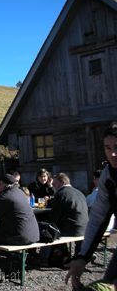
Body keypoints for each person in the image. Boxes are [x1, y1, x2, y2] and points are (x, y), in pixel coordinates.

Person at [66, 123, 117, 289]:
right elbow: (97, 218)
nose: (112, 154)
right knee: (106, 283)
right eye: (107, 148)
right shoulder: (108, 177)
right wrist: (82, 257)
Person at [0, 174, 39, 273]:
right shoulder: (20, 192)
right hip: (34, 234)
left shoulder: (5, 195)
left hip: (20, 237)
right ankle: (12, 263)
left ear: (3, 184)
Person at [42, 173, 89, 266]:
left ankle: (44, 258)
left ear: (62, 182)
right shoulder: (79, 192)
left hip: (71, 229)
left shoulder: (61, 194)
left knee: (47, 230)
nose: (54, 187)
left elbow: (55, 217)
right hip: (85, 227)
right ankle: (78, 256)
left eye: (55, 184)